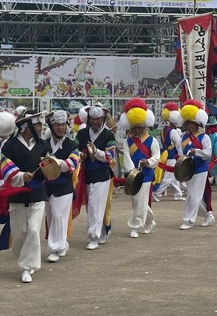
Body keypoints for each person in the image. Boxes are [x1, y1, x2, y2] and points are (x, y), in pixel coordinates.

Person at [1, 110, 50, 283]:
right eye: (38, 125)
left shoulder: (43, 145)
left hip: (38, 194)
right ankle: (25, 258)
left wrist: (51, 167)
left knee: (34, 230)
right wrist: (22, 176)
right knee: (19, 234)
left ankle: (27, 268)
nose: (41, 128)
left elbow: (49, 166)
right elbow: (5, 169)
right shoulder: (9, 146)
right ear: (27, 126)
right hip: (17, 194)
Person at [75, 104, 116, 249]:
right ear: (89, 119)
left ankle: (94, 237)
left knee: (96, 206)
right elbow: (74, 150)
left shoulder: (108, 135)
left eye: (98, 119)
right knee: (90, 207)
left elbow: (110, 157)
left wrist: (96, 152)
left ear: (103, 119)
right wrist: (81, 155)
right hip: (86, 174)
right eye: (93, 119)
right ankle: (102, 231)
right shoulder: (82, 133)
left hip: (102, 175)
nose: (96, 122)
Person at [119, 98, 160, 238]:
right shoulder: (128, 141)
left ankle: (135, 226)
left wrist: (147, 162)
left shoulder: (152, 140)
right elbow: (126, 158)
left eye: (139, 127)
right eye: (134, 127)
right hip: (133, 175)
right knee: (138, 201)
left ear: (144, 126)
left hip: (146, 175)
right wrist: (132, 172)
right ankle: (150, 221)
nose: (137, 130)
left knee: (139, 201)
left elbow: (157, 156)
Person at [43, 110, 79, 263]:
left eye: (63, 125)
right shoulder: (43, 144)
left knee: (58, 216)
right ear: (52, 126)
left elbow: (72, 164)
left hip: (64, 187)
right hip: (47, 187)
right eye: (57, 125)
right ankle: (62, 243)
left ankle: (55, 249)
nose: (60, 128)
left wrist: (53, 162)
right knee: (51, 218)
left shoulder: (72, 144)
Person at [178, 99, 214, 230]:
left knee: (194, 195)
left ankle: (188, 220)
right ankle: (208, 215)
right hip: (188, 170)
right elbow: (180, 154)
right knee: (192, 195)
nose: (189, 126)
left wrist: (197, 152)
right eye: (187, 124)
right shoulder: (183, 137)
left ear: (197, 124)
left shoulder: (204, 137)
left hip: (201, 169)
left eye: (192, 124)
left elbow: (208, 154)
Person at [152, 102, 184, 201]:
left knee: (174, 176)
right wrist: (181, 155)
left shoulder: (164, 130)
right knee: (169, 177)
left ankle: (178, 194)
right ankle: (156, 193)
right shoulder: (173, 131)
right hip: (173, 156)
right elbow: (179, 144)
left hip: (167, 154)